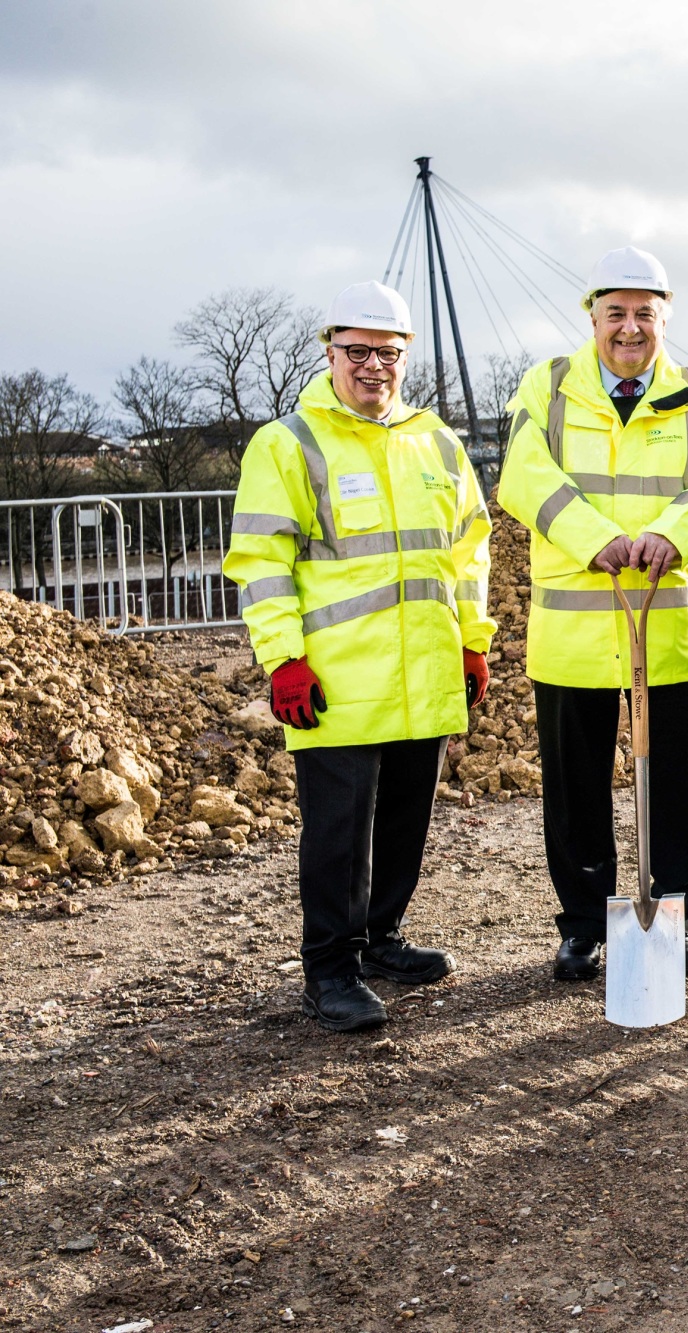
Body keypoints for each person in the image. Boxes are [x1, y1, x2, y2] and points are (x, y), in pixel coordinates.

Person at [224, 280, 495, 1033]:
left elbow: (470, 550)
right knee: (339, 834)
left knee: (404, 820)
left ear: (406, 358)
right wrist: (283, 659)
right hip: (338, 681)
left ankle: (380, 940)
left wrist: (473, 640)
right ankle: (330, 970)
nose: (373, 366)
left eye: (389, 353)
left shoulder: (437, 442)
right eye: (358, 351)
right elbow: (261, 559)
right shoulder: (289, 442)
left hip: (425, 674)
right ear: (330, 350)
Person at [496, 247, 688, 982]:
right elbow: (521, 475)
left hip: (666, 627)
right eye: (616, 313)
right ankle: (583, 922)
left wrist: (675, 533)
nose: (629, 328)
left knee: (678, 781)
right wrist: (594, 536)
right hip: (573, 631)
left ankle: (678, 913)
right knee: (574, 785)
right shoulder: (549, 387)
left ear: (665, 318)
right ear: (593, 317)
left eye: (645, 313)